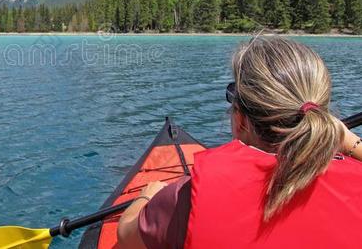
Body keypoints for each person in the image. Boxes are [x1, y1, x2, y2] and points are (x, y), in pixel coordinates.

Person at [117, 36, 362, 248]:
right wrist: (350, 143)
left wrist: (147, 197)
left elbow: (126, 237)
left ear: (241, 119)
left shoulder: (184, 200)